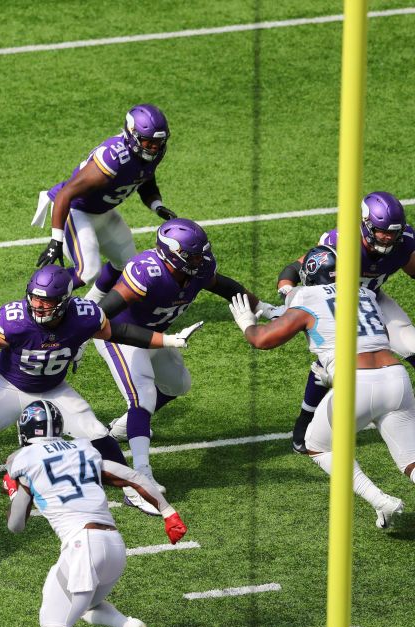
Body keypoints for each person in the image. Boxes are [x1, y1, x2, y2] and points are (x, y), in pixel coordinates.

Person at [0, 264, 203, 491]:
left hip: (53, 389)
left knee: (97, 433)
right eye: (35, 300)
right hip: (10, 384)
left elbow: (122, 332)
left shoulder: (85, 315)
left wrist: (169, 341)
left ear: (63, 301)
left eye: (46, 302)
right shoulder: (15, 319)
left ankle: (133, 485)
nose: (38, 306)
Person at [91, 219, 273, 512]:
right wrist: (77, 339)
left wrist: (261, 306)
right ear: (170, 254)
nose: (200, 261)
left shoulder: (198, 268)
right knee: (143, 398)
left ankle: (125, 427)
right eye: (193, 256)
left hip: (159, 336)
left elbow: (221, 284)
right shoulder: (146, 273)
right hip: (121, 335)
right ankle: (140, 479)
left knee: (178, 384)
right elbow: (104, 313)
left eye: (201, 254)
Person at [4, 400, 187, 627]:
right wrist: (168, 512)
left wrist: (15, 493)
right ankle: (128, 626)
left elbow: (16, 526)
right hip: (114, 546)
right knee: (87, 605)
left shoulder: (23, 460)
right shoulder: (83, 448)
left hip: (81, 545)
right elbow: (133, 477)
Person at [230, 245, 409, 528]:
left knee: (317, 446)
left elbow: (263, 339)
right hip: (396, 377)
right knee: (411, 461)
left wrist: (247, 324)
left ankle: (380, 501)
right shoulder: (365, 293)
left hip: (357, 383)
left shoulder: (305, 295)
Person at [276, 191, 415, 452]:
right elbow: (294, 269)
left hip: (373, 299)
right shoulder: (341, 242)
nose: (387, 237)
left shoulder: (405, 241)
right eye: (381, 230)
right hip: (339, 304)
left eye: (392, 232)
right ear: (364, 224)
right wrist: (289, 294)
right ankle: (305, 420)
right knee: (330, 359)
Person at [33, 104, 176, 297]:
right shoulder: (114, 158)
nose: (153, 148)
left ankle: (94, 305)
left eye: (158, 143)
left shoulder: (151, 153)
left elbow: (145, 177)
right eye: (148, 142)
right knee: (87, 272)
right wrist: (55, 240)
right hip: (76, 211)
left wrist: (157, 206)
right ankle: (38, 298)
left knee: (128, 265)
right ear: (131, 134)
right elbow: (65, 194)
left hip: (103, 211)